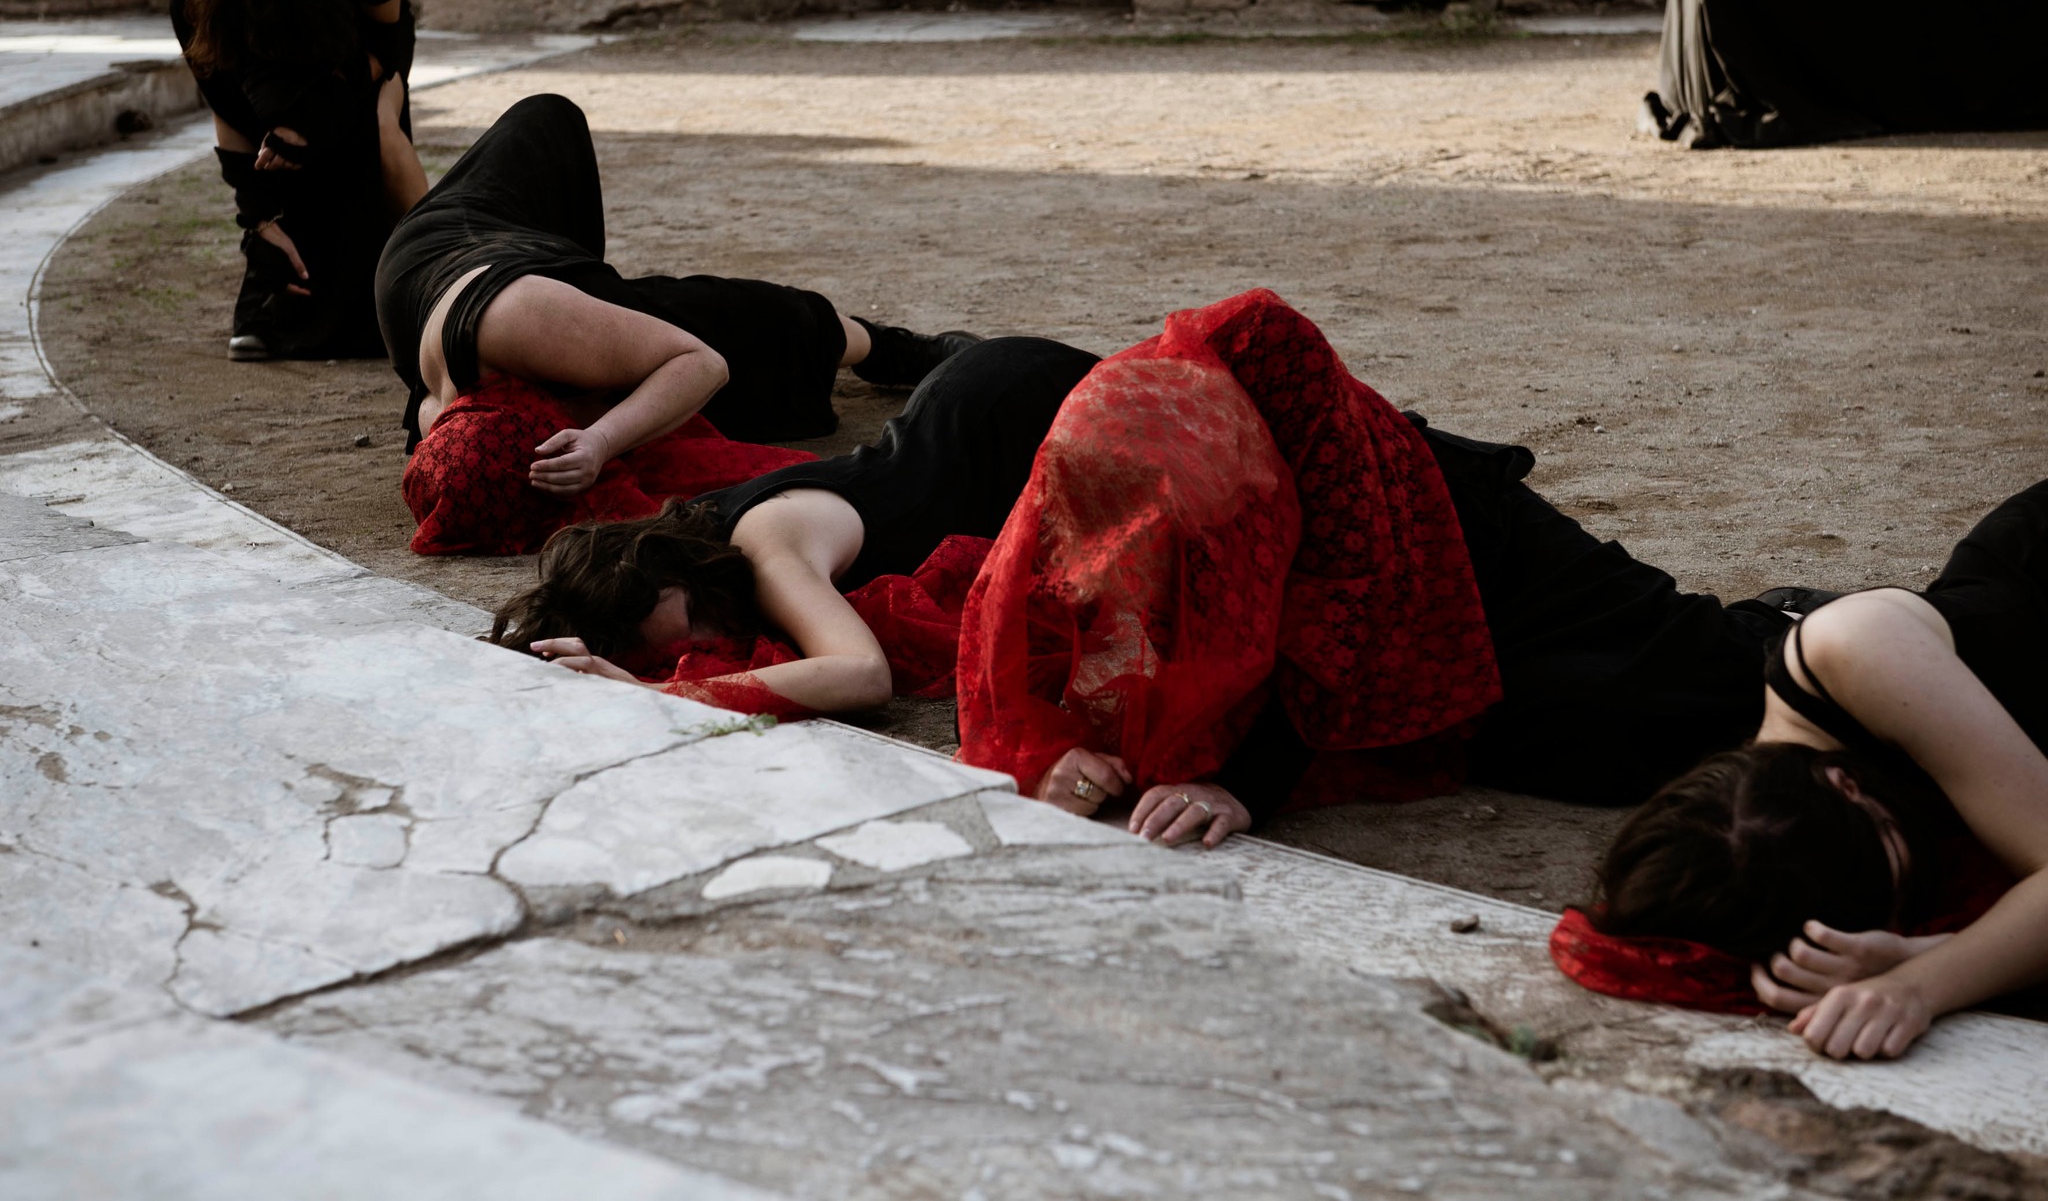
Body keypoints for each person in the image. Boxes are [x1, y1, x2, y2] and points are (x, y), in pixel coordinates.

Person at [506, 290, 1788, 849]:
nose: (676, 656)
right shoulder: (1074, 533)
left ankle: (1820, 637)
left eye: (657, 637)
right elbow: (1060, 638)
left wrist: (666, 699)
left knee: (1667, 685)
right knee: (1556, 738)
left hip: (1056, 423)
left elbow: (847, 670)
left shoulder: (764, 537)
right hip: (1088, 445)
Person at [1585, 482, 2048, 1060]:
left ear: (1845, 783)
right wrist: (1915, 951)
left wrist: (1915, 984)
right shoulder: (1773, 831)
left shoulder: (1852, 648)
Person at [376, 93, 978, 494]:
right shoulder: (448, 421)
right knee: (727, 366)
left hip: (444, 250)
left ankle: (886, 346)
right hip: (440, 316)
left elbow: (702, 362)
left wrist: (601, 438)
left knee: (549, 115)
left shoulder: (524, 319)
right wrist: (603, 441)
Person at [490, 333, 1101, 714]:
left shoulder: (765, 546)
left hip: (1023, 416)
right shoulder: (701, 549)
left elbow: (862, 675)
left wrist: (651, 695)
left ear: (666, 567)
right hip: (963, 413)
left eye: (692, 623)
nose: (697, 648)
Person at [173, 0, 425, 361]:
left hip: (356, 40)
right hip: (256, 54)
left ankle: (436, 265)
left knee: (376, 127)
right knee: (277, 159)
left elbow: (387, 38)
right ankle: (277, 286)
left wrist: (314, 119)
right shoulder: (196, 2)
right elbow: (229, 112)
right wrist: (258, 216)